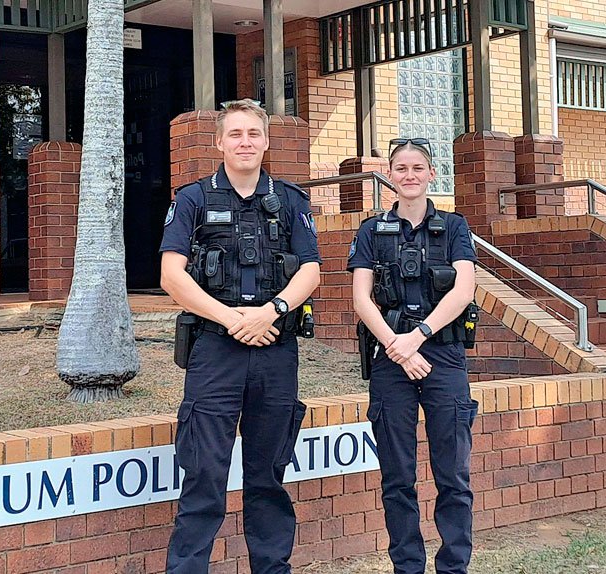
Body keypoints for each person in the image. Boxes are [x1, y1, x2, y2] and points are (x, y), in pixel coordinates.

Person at [159, 98, 321, 574]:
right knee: (204, 476)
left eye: (253, 134)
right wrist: (233, 319)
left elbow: (311, 270)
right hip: (215, 351)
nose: (245, 142)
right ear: (219, 143)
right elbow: (171, 275)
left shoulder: (291, 200)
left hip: (275, 350)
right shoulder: (192, 199)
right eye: (235, 134)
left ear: (266, 141)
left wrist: (272, 311)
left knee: (268, 478)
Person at [348, 137, 480, 574]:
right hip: (391, 359)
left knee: (453, 477)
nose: (409, 175)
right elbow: (362, 300)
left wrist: (419, 335)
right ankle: (407, 566)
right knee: (398, 478)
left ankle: (453, 567)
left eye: (417, 167)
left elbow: (464, 289)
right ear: (390, 175)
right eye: (400, 168)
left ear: (431, 174)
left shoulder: (455, 226)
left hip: (442, 356)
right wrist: (398, 347)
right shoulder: (370, 230)